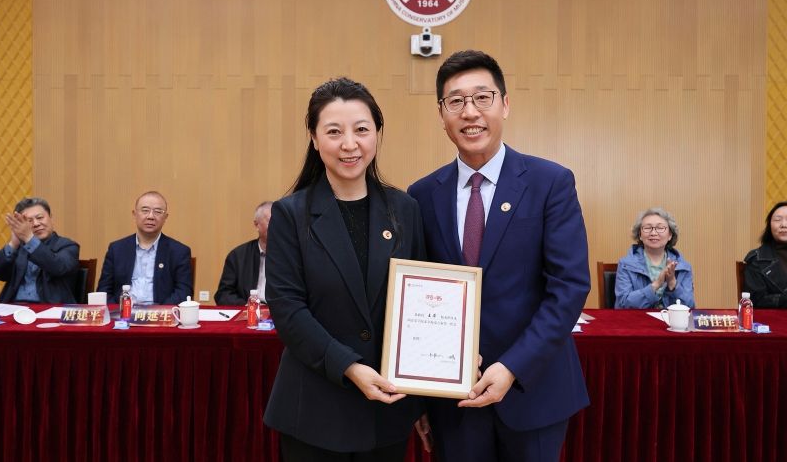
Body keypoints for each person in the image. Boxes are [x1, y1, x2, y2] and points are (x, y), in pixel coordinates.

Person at [407, 50, 590, 462]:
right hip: (454, 400)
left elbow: (569, 287)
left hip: (532, 390)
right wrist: (419, 393)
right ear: (441, 114)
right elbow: (417, 296)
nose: (470, 112)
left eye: (482, 97)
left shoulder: (550, 182)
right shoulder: (422, 195)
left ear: (504, 104)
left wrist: (511, 367)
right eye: (456, 101)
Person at [263, 77, 426, 460]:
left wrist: (427, 387)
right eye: (334, 132)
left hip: (388, 408)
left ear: (377, 134)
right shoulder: (290, 214)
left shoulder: (405, 209)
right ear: (314, 138)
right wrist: (349, 367)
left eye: (361, 130)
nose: (349, 144)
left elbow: (420, 301)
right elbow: (288, 310)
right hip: (315, 410)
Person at [97, 191, 192, 305]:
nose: (150, 216)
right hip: (123, 313)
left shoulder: (179, 252)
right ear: (134, 214)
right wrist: (119, 310)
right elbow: (104, 291)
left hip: (161, 313)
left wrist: (159, 312)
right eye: (145, 210)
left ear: (165, 217)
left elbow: (183, 293)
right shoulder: (116, 249)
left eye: (158, 212)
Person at [0, 197, 80, 303]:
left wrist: (29, 239)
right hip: (14, 307)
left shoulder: (68, 246)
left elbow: (58, 267)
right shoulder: (19, 248)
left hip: (49, 308)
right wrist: (13, 243)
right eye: (29, 221)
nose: (36, 224)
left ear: (51, 218)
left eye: (40, 217)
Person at [614, 208, 695, 309]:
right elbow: (622, 305)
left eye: (660, 228)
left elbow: (690, 307)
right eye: (647, 228)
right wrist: (656, 284)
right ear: (640, 235)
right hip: (639, 319)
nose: (653, 233)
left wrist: (673, 283)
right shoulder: (626, 265)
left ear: (670, 235)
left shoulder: (683, 267)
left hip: (670, 319)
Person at [214, 201, 272, 305]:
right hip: (248, 310)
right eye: (270, 221)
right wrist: (246, 305)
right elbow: (223, 294)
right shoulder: (237, 256)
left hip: (281, 312)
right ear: (256, 225)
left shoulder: (290, 255)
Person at [743, 201, 787, 307]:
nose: (784, 225)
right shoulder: (757, 259)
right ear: (769, 226)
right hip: (774, 317)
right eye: (777, 220)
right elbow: (755, 300)